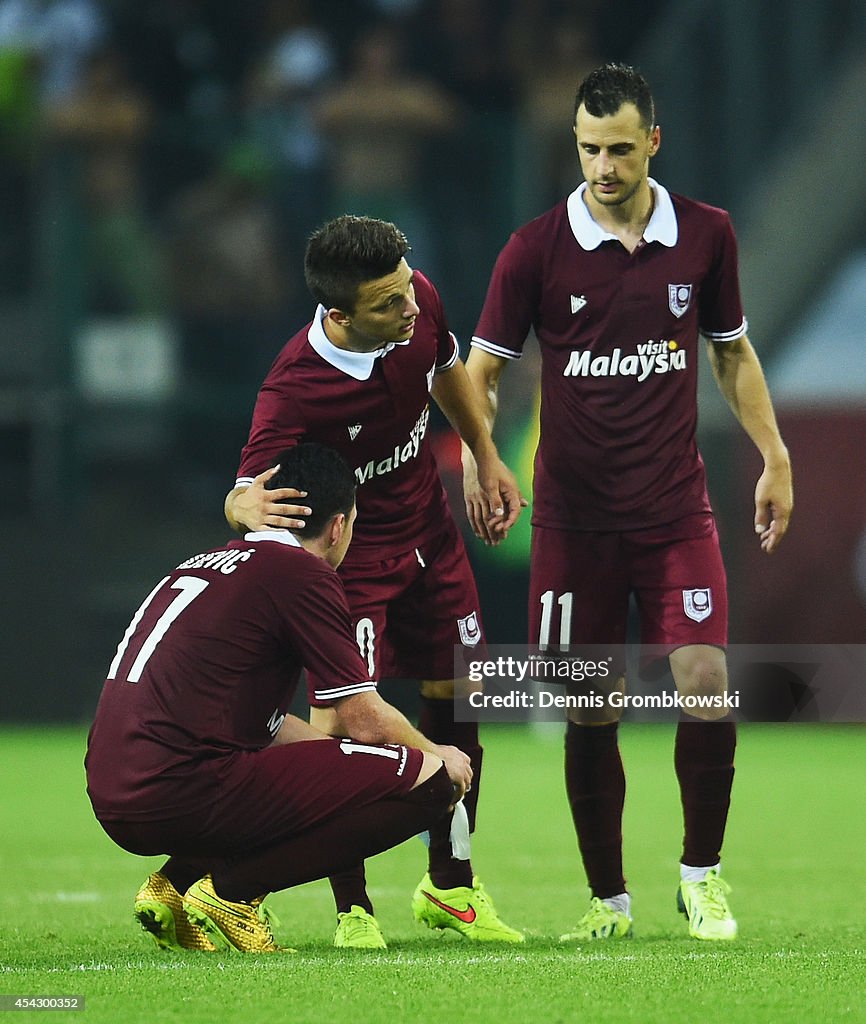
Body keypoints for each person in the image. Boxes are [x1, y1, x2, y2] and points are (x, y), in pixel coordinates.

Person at [465, 63, 793, 943]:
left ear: (653, 140)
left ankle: (702, 877)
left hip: (674, 508)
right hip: (572, 521)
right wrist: (481, 455)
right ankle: (608, 900)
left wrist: (774, 453)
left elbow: (730, 351)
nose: (601, 167)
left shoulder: (707, 235)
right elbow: (483, 372)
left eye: (617, 148)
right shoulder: (534, 249)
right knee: (589, 704)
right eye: (586, 150)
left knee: (705, 679)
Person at [224, 215, 525, 948]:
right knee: (340, 728)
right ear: (338, 315)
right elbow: (242, 493)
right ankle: (352, 909)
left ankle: (451, 885)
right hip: (353, 562)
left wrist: (485, 455)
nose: (412, 308)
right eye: (389, 304)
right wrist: (240, 505)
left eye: (407, 290)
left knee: (459, 692)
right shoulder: (294, 390)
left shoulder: (415, 298)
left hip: (432, 535)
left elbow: (446, 367)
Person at [85, 443, 472, 954]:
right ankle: (231, 895)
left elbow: (256, 723)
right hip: (177, 789)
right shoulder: (301, 574)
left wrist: (330, 759)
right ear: (338, 527)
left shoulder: (205, 562)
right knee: (429, 783)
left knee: (322, 764)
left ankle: (173, 888)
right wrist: (436, 756)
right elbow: (361, 716)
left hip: (113, 788)